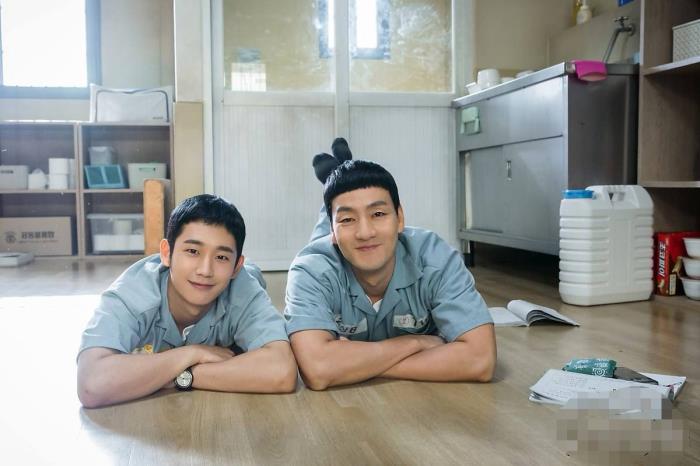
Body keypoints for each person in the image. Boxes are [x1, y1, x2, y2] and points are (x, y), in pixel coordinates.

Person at [284, 139, 496, 390]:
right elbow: (318, 370)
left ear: (400, 218)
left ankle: (343, 172)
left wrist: (350, 364)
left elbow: (480, 360)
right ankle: (339, 173)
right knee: (326, 239)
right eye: (347, 219)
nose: (366, 232)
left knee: (352, 230)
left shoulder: (435, 258)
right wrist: (415, 343)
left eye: (379, 214)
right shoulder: (310, 269)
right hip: (330, 249)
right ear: (333, 229)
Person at [77, 194, 297, 408]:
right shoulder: (133, 292)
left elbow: (282, 371)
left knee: (253, 276)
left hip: (245, 278)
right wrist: (192, 353)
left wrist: (185, 375)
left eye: (221, 257)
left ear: (235, 266)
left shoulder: (242, 289)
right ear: (166, 253)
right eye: (192, 251)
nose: (205, 270)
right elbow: (91, 384)